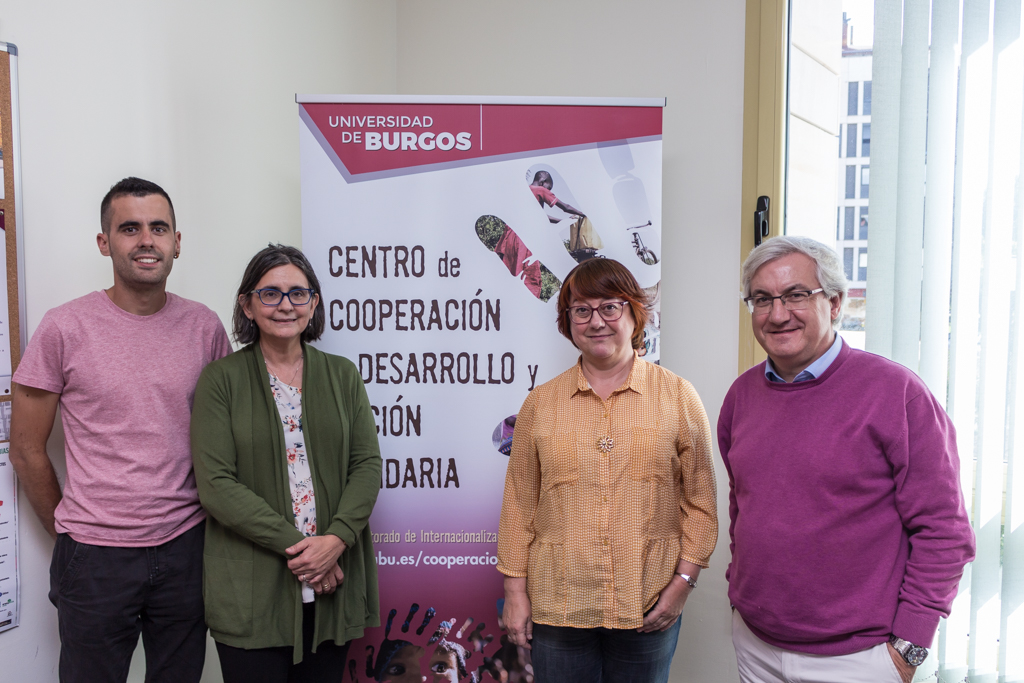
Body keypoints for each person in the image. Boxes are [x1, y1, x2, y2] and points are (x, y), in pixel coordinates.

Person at [719, 236, 976, 683]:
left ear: (835, 302)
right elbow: (744, 502)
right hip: (756, 644)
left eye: (796, 295)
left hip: (860, 658)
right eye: (762, 300)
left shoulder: (897, 394)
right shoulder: (741, 395)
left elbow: (945, 531)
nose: (777, 314)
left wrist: (908, 648)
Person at [8, 177, 232, 683]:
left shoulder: (205, 327)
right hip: (94, 556)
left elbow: (226, 440)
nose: (146, 240)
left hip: (187, 548)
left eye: (158, 227)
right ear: (105, 242)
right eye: (129, 228)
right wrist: (69, 528)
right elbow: (25, 449)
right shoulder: (65, 327)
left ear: (178, 240)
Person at [496, 258, 718, 683]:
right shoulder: (540, 404)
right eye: (582, 310)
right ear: (568, 322)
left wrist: (682, 586)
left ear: (635, 313)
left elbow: (702, 504)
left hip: (647, 602)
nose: (596, 321)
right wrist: (514, 593)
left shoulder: (678, 396)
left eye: (610, 307)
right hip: (559, 605)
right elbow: (518, 506)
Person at [190, 244, 381, 683]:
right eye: (270, 293)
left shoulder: (342, 375)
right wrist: (307, 550)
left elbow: (367, 464)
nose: (285, 305)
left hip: (332, 582)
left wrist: (335, 540)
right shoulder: (221, 380)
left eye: (298, 293)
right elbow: (216, 484)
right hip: (254, 589)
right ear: (247, 304)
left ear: (314, 303)